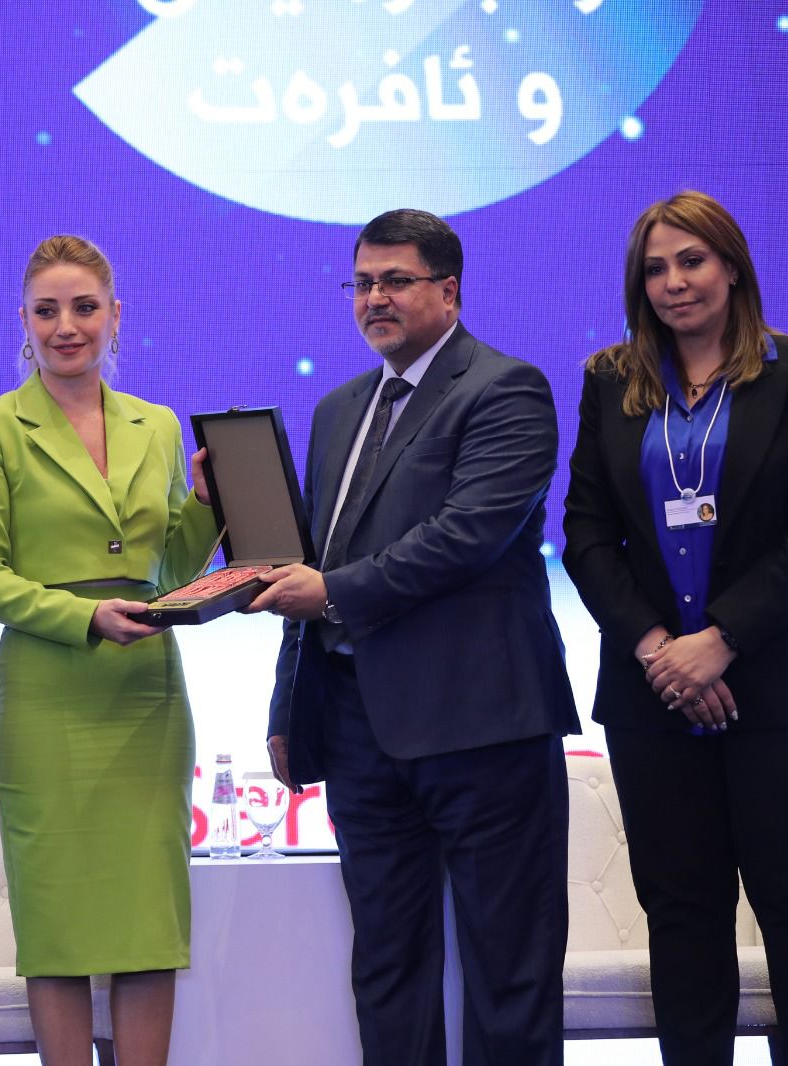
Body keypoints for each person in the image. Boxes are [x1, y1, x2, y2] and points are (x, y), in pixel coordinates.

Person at [254, 208, 578, 1065]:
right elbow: (314, 560)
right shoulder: (339, 409)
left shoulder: (506, 389)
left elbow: (464, 538)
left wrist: (331, 593)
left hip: (482, 728)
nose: (375, 299)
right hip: (359, 730)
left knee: (510, 973)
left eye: (396, 281)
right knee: (387, 970)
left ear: (449, 291)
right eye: (362, 283)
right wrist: (289, 707)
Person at [562, 190, 788, 1065]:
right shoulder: (610, 380)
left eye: (692, 261)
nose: (674, 282)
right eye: (655, 268)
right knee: (682, 914)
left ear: (731, 266)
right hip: (654, 693)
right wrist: (660, 651)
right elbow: (585, 532)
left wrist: (721, 639)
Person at [0, 234, 217, 1066]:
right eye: (47, 310)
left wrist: (212, 506)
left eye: (85, 307)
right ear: (23, 322)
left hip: (147, 694)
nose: (66, 326)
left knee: (148, 922)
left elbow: (170, 571)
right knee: (57, 926)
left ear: (115, 316)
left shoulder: (157, 424)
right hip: (46, 693)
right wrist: (84, 618)